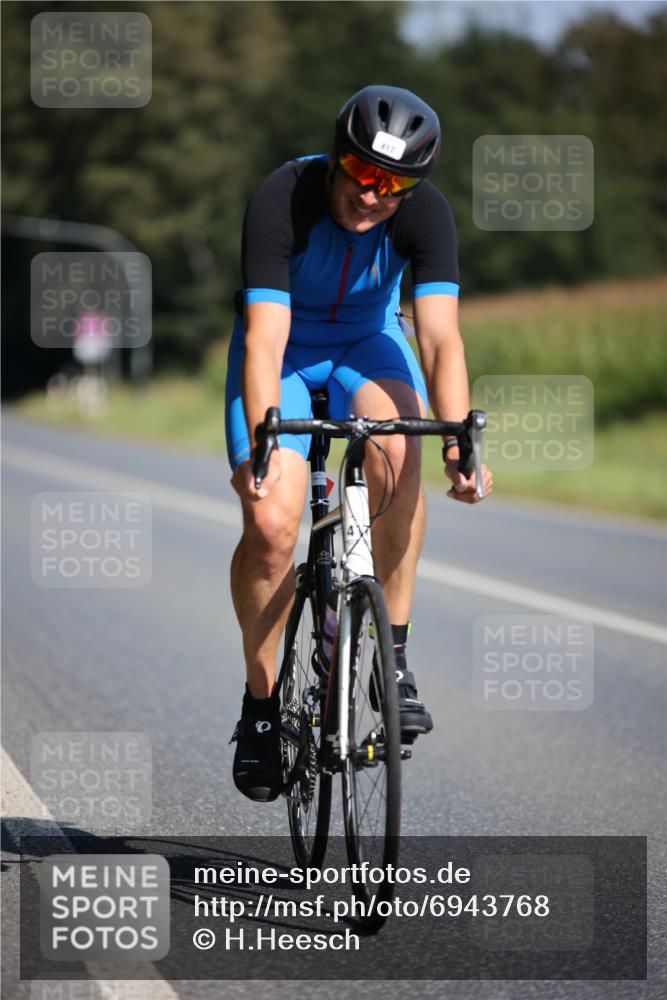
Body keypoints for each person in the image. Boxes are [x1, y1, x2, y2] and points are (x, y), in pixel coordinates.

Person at [226, 85, 493, 802]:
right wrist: (264, 441)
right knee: (273, 523)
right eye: (363, 174)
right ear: (337, 158)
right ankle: (259, 707)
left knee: (400, 456)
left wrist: (458, 444)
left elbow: (438, 337)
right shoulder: (282, 197)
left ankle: (393, 663)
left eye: (394, 185)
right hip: (283, 351)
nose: (374, 196)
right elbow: (263, 337)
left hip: (367, 345)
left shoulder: (425, 214)